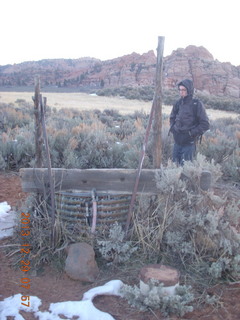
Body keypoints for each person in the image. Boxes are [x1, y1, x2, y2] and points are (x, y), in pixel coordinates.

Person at [169, 79, 210, 165]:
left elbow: (205, 124)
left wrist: (191, 133)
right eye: (180, 89)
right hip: (177, 142)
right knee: (173, 167)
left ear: (189, 90)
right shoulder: (178, 103)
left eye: (184, 90)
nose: (181, 92)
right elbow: (172, 117)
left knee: (186, 170)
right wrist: (174, 130)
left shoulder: (197, 104)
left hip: (189, 144)